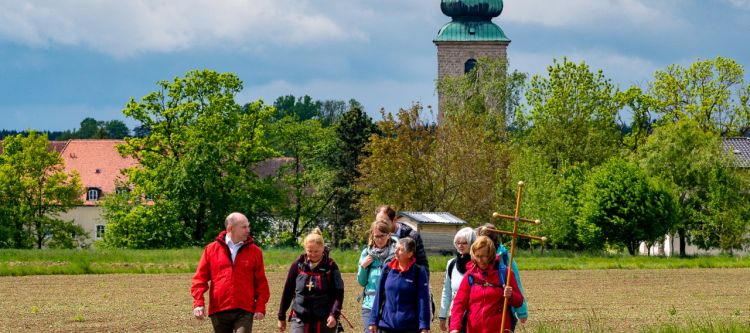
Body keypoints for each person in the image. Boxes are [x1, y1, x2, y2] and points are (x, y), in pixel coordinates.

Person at [191, 212, 271, 333]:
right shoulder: (211, 249)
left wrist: (260, 306)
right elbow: (199, 279)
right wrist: (198, 303)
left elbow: (261, 282)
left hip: (244, 309)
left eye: (248, 226)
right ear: (230, 228)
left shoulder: (255, 251)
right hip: (219, 309)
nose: (248, 230)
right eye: (244, 227)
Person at [449, 236, 523, 333]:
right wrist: (455, 328)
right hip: (473, 330)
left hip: (499, 329)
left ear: (491, 255)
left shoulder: (505, 274)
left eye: (484, 256)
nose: (480, 260)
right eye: (477, 256)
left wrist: (511, 295)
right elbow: (459, 304)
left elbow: (519, 301)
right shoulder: (470, 276)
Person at [278, 228, 345, 333]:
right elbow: (288, 290)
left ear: (323, 248)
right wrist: (281, 316)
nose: (313, 254)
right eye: (309, 251)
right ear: (305, 249)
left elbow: (338, 293)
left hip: (324, 318)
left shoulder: (331, 266)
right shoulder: (298, 265)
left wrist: (334, 314)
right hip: (299, 317)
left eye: (316, 251)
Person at [368, 237, 430, 333]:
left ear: (410, 254)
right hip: (386, 325)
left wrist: (424, 326)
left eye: (400, 249)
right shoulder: (387, 268)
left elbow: (423, 300)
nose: (395, 251)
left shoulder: (419, 271)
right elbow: (378, 295)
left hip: (410, 327)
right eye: (395, 248)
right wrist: (373, 320)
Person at [476, 224, 529, 327]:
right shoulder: (475, 257)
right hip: (480, 312)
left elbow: (516, 283)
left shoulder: (504, 256)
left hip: (504, 309)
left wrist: (522, 311)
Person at [357, 219, 398, 333]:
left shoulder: (397, 254)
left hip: (390, 305)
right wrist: (363, 267)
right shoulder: (366, 253)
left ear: (389, 235)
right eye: (376, 236)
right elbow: (361, 282)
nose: (379, 239)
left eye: (382, 236)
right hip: (370, 305)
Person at [438, 227, 476, 332]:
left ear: (472, 243)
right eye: (458, 242)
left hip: (474, 317)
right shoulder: (451, 264)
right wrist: (442, 315)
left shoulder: (478, 264)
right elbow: (447, 291)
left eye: (464, 243)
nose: (460, 246)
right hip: (455, 316)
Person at [375, 205, 429, 272]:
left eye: (384, 222)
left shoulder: (412, 236)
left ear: (394, 220)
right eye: (377, 222)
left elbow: (422, 264)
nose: (380, 225)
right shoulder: (375, 236)